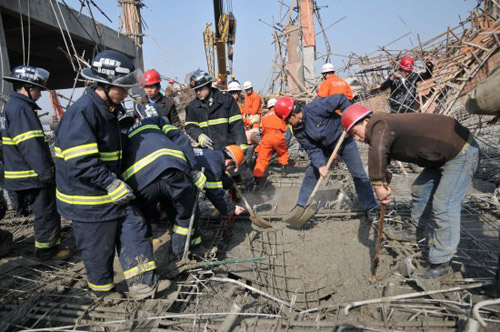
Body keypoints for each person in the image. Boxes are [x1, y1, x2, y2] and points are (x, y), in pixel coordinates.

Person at [55, 50, 165, 299]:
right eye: (122, 89)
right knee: (98, 250)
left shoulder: (108, 110)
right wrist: (110, 182)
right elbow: (81, 162)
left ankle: (142, 285)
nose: (126, 93)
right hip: (87, 201)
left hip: (107, 192)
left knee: (135, 226)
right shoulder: (83, 113)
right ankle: (103, 293)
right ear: (105, 85)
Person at [341, 104, 479, 279]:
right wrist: (383, 176)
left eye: (355, 132)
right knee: (420, 189)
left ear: (365, 120)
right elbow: (382, 152)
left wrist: (377, 185)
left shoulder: (380, 125)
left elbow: (379, 149)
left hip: (461, 153)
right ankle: (415, 230)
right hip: (440, 154)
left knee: (444, 205)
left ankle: (441, 262)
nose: (357, 138)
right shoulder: (380, 127)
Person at [119, 107, 205, 261]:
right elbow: (181, 139)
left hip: (142, 182)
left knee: (141, 223)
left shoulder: (119, 137)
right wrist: (191, 169)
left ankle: (146, 266)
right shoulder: (154, 121)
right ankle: (178, 256)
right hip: (172, 170)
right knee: (183, 215)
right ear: (135, 119)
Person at [274, 96, 377, 224]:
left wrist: (348, 119)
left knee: (358, 174)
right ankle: (301, 205)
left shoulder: (316, 107)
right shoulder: (298, 130)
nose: (287, 123)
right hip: (325, 148)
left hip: (343, 140)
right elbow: (312, 149)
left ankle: (371, 207)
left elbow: (341, 99)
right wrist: (320, 165)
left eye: (287, 120)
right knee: (311, 174)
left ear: (293, 115)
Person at [2, 65, 68, 260]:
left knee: (43, 213)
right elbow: (31, 146)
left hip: (20, 173)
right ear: (27, 87)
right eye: (38, 89)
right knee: (46, 213)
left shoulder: (13, 107)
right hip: (32, 174)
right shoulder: (22, 109)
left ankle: (47, 246)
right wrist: (47, 173)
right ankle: (47, 252)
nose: (40, 94)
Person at [185, 70, 247, 152]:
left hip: (228, 150)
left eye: (200, 89)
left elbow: (237, 125)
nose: (198, 92)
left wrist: (241, 145)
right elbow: (190, 126)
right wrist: (199, 135)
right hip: (209, 153)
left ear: (208, 85)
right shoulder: (192, 107)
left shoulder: (226, 100)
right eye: (196, 90)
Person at [193, 145, 246, 217]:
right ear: (230, 161)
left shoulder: (212, 154)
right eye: (232, 167)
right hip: (179, 180)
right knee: (192, 213)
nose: (229, 170)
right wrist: (232, 209)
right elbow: (215, 193)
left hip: (178, 171)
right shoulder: (215, 167)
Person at [252, 98, 289, 187]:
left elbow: (263, 130)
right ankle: (284, 169)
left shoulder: (265, 116)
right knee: (282, 152)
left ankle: (257, 178)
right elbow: (284, 127)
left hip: (266, 137)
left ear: (268, 107)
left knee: (262, 159)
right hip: (277, 135)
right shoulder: (279, 113)